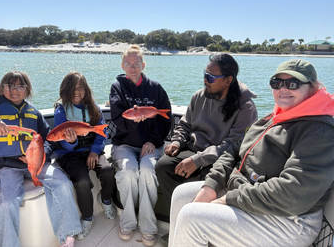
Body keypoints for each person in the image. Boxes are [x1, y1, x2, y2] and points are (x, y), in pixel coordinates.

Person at [168, 59, 334, 247]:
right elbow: (235, 149)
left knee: (193, 218)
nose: (283, 89)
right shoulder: (275, 118)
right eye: (277, 83)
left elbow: (293, 192)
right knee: (181, 195)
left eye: (293, 83)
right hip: (249, 193)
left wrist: (229, 199)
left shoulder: (319, 132)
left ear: (313, 89)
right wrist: (212, 185)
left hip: (288, 220)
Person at [0, 71, 82, 247]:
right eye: (10, 86)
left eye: (20, 86)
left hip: (35, 164)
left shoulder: (34, 113)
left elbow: (48, 139)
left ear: (27, 91)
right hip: (5, 167)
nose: (15, 90)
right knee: (6, 202)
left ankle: (68, 237)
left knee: (63, 184)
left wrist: (39, 155)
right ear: (2, 88)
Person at [156, 53, 258, 221]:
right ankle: (178, 221)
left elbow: (233, 145)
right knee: (164, 166)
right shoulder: (199, 96)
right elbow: (185, 125)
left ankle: (200, 226)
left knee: (210, 181)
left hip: (222, 160)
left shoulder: (245, 108)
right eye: (205, 75)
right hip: (194, 149)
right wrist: (176, 142)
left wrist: (198, 161)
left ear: (228, 80)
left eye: (210, 77)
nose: (205, 80)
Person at [110, 45, 172, 246]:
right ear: (122, 65)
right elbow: (118, 119)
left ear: (143, 65)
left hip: (151, 144)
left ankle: (148, 227)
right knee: (128, 171)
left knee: (146, 171)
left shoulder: (156, 88)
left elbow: (166, 118)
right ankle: (127, 222)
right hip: (124, 144)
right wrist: (132, 120)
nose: (132, 68)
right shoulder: (117, 87)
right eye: (128, 64)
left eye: (136, 64)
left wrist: (152, 141)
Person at [53, 71, 117, 240]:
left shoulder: (93, 108)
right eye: (72, 88)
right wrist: (72, 142)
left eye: (80, 88)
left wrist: (95, 151)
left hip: (92, 151)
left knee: (109, 171)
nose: (76, 92)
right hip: (70, 154)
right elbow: (60, 141)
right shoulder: (61, 111)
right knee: (82, 182)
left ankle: (106, 199)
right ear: (65, 90)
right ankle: (87, 217)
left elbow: (102, 133)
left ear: (86, 90)